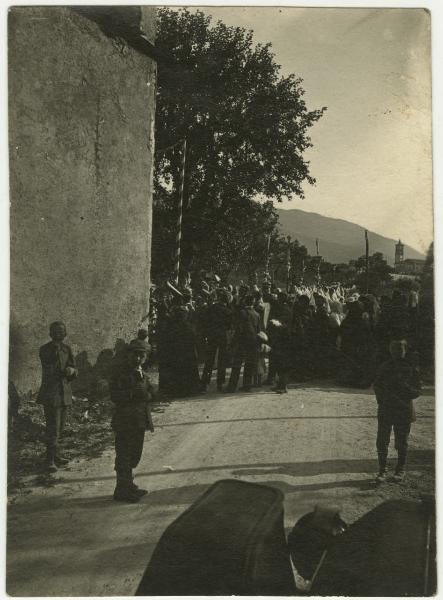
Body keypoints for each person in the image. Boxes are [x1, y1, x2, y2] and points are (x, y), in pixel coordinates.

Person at [110, 338, 155, 502]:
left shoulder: (142, 372)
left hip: (140, 419)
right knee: (124, 455)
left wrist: (149, 393)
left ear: (145, 357)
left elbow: (149, 394)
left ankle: (128, 485)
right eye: (135, 355)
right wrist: (132, 394)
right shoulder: (121, 374)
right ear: (128, 355)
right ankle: (121, 489)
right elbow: (115, 395)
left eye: (141, 356)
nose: (138, 359)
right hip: (125, 420)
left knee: (135, 453)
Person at [373, 339, 421, 483]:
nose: (397, 352)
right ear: (390, 350)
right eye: (394, 349)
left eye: (400, 349)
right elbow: (377, 386)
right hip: (386, 409)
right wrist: (383, 399)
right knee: (382, 441)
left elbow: (418, 390)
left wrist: (405, 390)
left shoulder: (411, 368)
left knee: (401, 442)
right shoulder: (384, 366)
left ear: (405, 351)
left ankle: (400, 470)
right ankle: (382, 470)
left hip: (403, 410)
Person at [37, 321, 78, 472]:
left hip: (64, 393)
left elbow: (74, 367)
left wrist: (72, 371)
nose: (59, 334)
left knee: (60, 427)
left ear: (65, 333)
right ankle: (49, 460)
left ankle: (56, 455)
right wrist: (64, 370)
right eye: (55, 331)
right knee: (52, 428)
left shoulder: (67, 349)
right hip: (51, 393)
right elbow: (50, 370)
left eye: (61, 331)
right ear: (50, 333)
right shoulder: (45, 350)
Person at [226, 294, 260, 392]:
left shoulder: (242, 313)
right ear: (253, 303)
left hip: (242, 342)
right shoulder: (257, 314)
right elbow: (259, 330)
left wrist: (232, 343)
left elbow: (239, 330)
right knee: (249, 364)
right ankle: (247, 385)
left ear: (245, 302)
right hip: (253, 342)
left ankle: (232, 387)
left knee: (237, 365)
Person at [201, 289, 233, 391]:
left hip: (212, 336)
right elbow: (229, 326)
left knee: (209, 360)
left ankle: (205, 383)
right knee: (222, 360)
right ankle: (220, 383)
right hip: (222, 336)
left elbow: (205, 322)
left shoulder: (211, 308)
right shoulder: (227, 311)